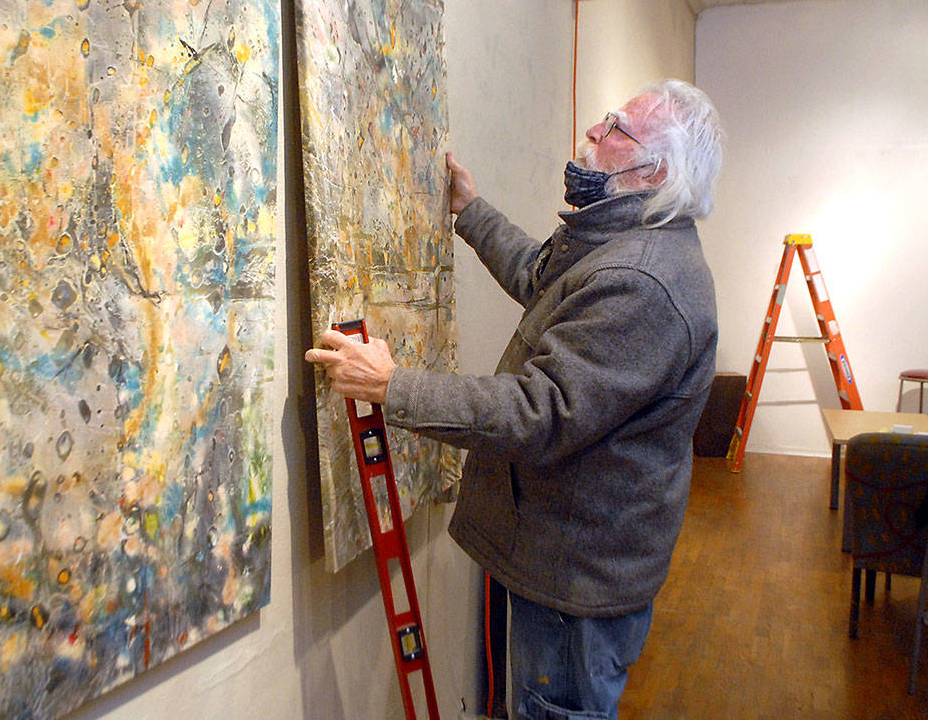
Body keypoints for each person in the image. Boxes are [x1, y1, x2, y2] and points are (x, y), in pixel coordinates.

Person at [305, 79, 723, 720]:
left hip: (574, 580)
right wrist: (471, 213)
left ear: (653, 170)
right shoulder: (624, 247)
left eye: (616, 128)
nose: (593, 133)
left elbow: (541, 410)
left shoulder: (642, 279)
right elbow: (544, 278)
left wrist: (394, 386)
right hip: (563, 557)